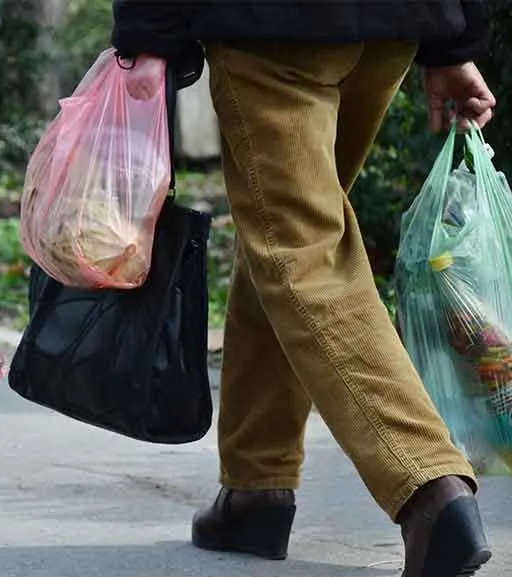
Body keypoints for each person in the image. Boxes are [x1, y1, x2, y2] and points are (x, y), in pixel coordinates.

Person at [112, 1, 497, 576]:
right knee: (282, 232)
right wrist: (454, 41)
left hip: (274, 29)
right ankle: (255, 485)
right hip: (391, 27)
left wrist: (147, 34)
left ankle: (428, 483)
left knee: (301, 253)